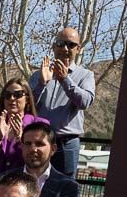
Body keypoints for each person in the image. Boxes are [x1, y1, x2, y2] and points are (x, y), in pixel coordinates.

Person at [28, 27, 96, 178]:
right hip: (39, 141)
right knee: (34, 185)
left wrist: (65, 80)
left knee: (63, 190)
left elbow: (85, 102)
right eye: (60, 43)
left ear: (78, 49)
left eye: (70, 45)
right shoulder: (38, 75)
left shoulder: (85, 76)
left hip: (66, 144)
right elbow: (27, 106)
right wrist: (41, 83)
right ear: (54, 47)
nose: (65, 48)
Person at [15, 121, 80, 197]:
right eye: (28, 144)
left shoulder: (68, 187)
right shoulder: (4, 180)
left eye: (39, 144)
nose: (33, 149)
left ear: (53, 149)